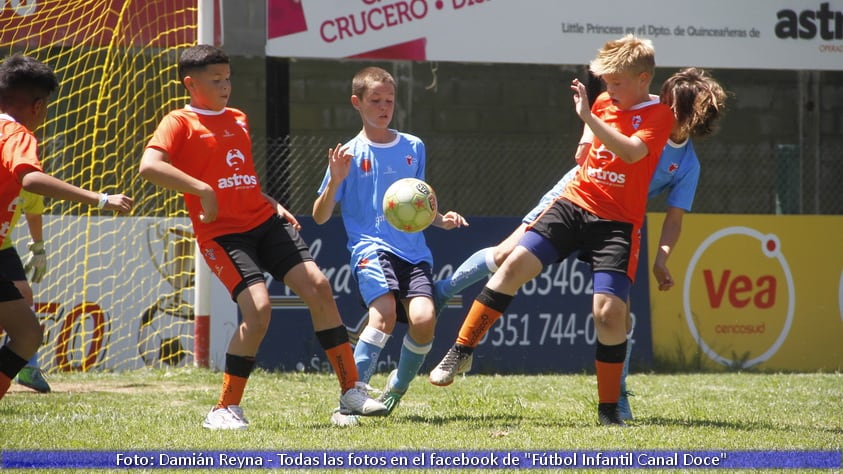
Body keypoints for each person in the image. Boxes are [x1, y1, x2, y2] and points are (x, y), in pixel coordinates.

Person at [432, 67, 728, 421]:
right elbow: (603, 106)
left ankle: (616, 399)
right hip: (577, 193)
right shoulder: (644, 107)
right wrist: (586, 139)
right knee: (506, 255)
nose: (662, 106)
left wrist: (662, 258)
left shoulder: (685, 163)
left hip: (617, 219)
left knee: (616, 315)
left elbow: (674, 220)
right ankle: (445, 290)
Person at [139, 45, 387, 430]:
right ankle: (224, 408)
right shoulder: (179, 122)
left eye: (228, 78)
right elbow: (150, 166)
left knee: (319, 287)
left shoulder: (238, 118)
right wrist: (202, 190)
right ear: (191, 84)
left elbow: (241, 179)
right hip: (222, 234)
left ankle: (351, 391)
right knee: (258, 310)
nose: (226, 86)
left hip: (263, 221)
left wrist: (270, 202)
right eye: (216, 80)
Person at [313, 66, 467, 425]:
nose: (384, 107)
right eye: (375, 100)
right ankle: (349, 400)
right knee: (383, 314)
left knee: (425, 321)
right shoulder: (348, 154)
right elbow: (320, 216)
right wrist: (335, 181)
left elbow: (416, 203)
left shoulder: (414, 146)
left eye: (389, 100)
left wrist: (440, 218)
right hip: (370, 248)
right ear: (357, 103)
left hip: (414, 252)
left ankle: (394, 390)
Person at [0, 53, 134, 402]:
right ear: (39, 106)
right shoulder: (16, 133)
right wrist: (100, 199)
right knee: (27, 333)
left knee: (27, 330)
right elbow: (30, 178)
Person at [0, 190, 51, 392]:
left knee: (24, 293)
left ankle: (28, 367)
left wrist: (38, 247)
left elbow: (33, 214)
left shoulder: (30, 184)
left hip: (3, 248)